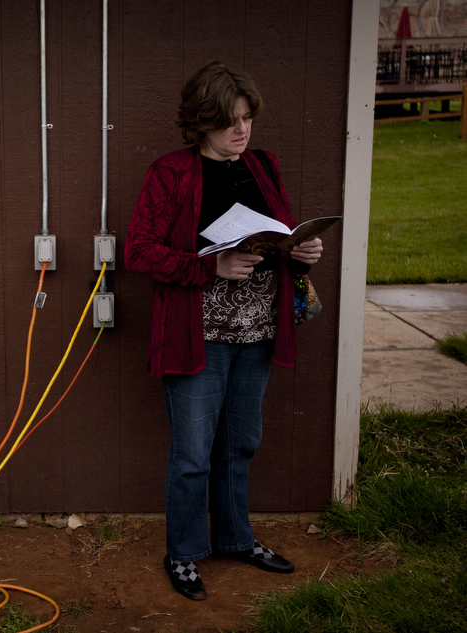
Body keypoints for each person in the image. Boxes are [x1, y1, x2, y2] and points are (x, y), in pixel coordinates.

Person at [124, 61, 324, 601]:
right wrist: (208, 267)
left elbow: (276, 238)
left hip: (258, 331)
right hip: (200, 335)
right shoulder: (170, 173)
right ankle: (185, 553)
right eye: (229, 121)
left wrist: (301, 253)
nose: (242, 131)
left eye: (247, 119)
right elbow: (139, 250)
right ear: (201, 121)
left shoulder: (262, 166)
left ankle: (236, 539)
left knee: (240, 444)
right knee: (192, 452)